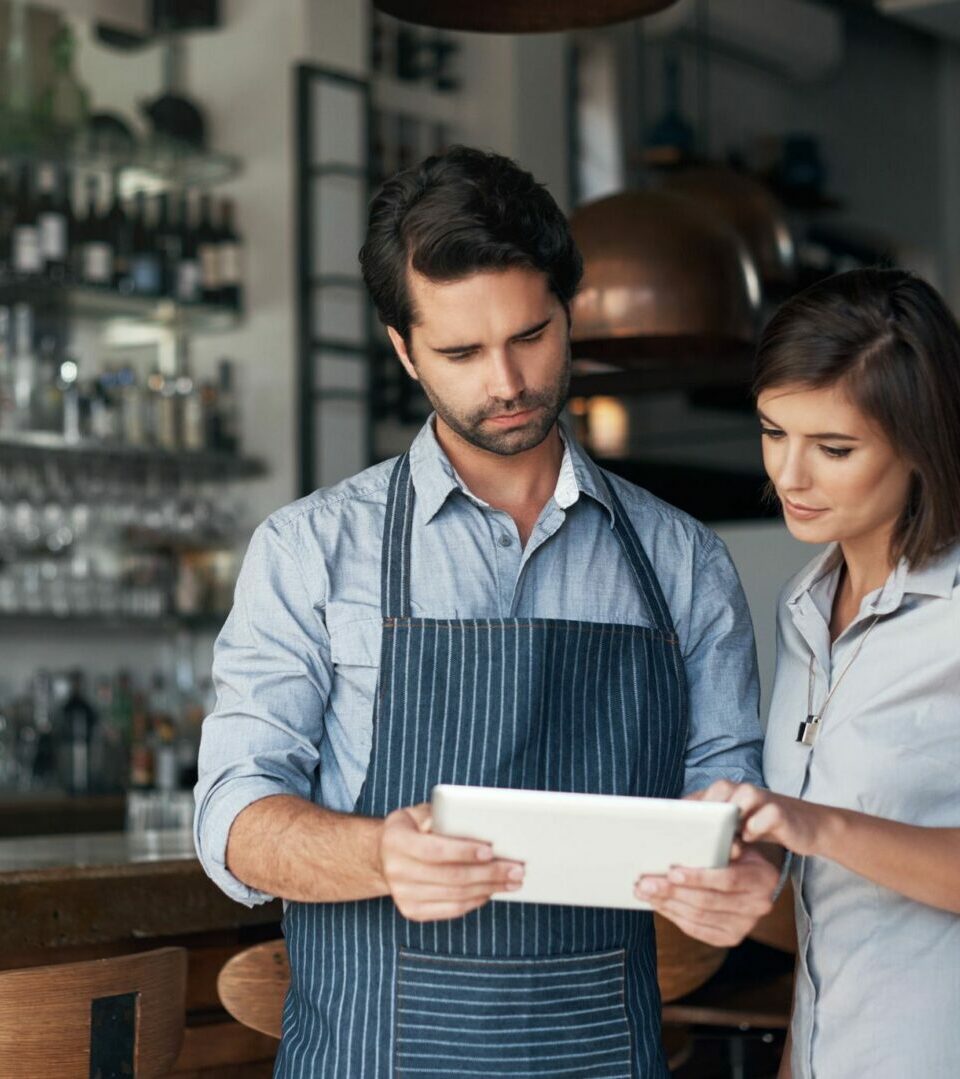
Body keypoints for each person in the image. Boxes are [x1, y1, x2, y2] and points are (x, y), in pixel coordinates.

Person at [194, 145, 779, 1078]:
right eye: (461, 352)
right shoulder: (310, 550)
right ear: (402, 349)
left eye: (531, 336)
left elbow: (729, 793)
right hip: (369, 1053)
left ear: (568, 310)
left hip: (602, 1051)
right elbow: (231, 813)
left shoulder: (683, 560)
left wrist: (745, 875)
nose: (505, 381)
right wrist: (380, 853)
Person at [689, 268, 960, 1078]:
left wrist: (811, 823)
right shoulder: (805, 606)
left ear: (922, 442)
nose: (789, 475)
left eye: (834, 448)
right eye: (774, 431)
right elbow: (831, 910)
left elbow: (826, 829)